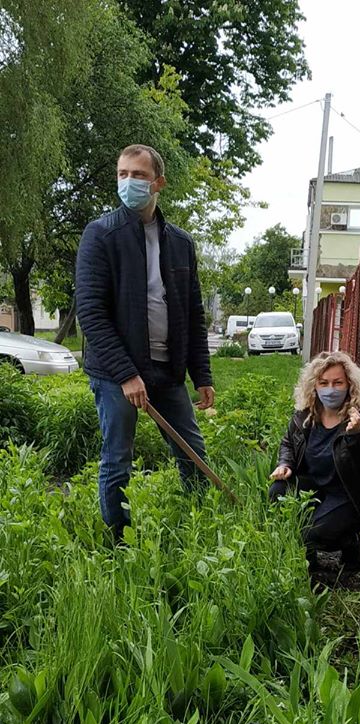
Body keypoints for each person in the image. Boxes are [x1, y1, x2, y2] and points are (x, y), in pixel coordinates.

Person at [76, 143, 214, 541]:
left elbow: (192, 314)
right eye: (123, 174)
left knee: (191, 451)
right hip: (115, 374)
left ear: (159, 183)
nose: (129, 182)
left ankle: (201, 530)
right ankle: (119, 544)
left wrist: (201, 374)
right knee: (118, 458)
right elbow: (91, 312)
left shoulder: (180, 242)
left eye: (138, 175)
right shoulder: (101, 235)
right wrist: (126, 374)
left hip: (166, 369)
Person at [269, 351, 360, 574]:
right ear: (315, 385)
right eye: (324, 383)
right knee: (278, 491)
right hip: (315, 484)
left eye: (337, 382)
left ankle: (351, 543)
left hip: (351, 493)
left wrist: (357, 437)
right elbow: (289, 443)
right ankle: (308, 566)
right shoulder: (305, 415)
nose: (330, 389)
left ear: (349, 384)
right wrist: (285, 464)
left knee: (315, 533)